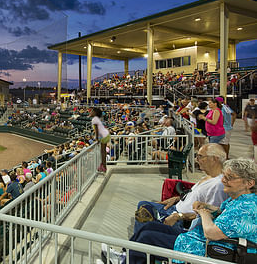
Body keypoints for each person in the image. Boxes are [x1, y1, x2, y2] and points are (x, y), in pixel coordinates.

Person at [104, 158, 256, 264]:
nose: (224, 180)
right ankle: (125, 256)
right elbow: (220, 212)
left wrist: (203, 212)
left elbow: (212, 232)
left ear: (249, 183)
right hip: (196, 238)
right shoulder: (238, 199)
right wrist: (206, 207)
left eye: (230, 177)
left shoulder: (247, 208)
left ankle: (126, 260)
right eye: (225, 176)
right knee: (148, 227)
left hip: (203, 248)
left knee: (148, 238)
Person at [134, 143, 228, 233]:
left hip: (180, 220)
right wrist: (177, 198)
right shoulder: (208, 177)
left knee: (145, 214)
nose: (196, 159)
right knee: (143, 206)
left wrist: (179, 216)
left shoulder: (218, 185)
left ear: (215, 159)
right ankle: (139, 243)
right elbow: (196, 196)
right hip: (174, 208)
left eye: (200, 156)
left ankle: (139, 244)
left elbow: (209, 215)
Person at [91, 107, 111, 173]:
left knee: (103, 152)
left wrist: (96, 139)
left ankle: (104, 167)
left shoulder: (94, 119)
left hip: (104, 136)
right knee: (103, 152)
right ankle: (103, 165)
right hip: (105, 134)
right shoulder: (96, 119)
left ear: (95, 113)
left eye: (92, 111)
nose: (91, 112)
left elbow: (96, 130)